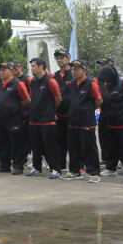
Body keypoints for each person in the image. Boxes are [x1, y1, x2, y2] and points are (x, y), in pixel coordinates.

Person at [61, 59, 102, 182]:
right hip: (73, 121)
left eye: (77, 69)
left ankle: (94, 173)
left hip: (86, 122)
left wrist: (88, 109)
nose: (74, 72)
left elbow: (99, 100)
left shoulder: (91, 83)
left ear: (85, 70)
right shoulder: (71, 84)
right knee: (73, 148)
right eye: (73, 69)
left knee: (89, 148)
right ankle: (74, 171)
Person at [0, 61, 30, 175]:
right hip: (0, 118)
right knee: (1, 142)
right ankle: (4, 165)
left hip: (13, 118)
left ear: (11, 71)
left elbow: (27, 100)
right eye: (0, 70)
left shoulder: (18, 84)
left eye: (4, 69)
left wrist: (16, 109)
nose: (1, 72)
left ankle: (18, 166)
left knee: (16, 143)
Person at [26, 58, 61, 177]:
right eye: (31, 66)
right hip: (34, 120)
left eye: (34, 66)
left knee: (50, 146)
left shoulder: (51, 81)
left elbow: (58, 99)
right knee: (35, 146)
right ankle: (37, 167)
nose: (32, 68)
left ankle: (55, 169)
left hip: (47, 120)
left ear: (41, 67)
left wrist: (50, 110)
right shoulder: (33, 81)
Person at [98, 64, 123, 177]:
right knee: (111, 147)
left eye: (107, 80)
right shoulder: (107, 86)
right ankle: (111, 168)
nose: (106, 82)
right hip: (111, 122)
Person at [53, 49, 73, 177]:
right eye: (58, 58)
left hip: (72, 114)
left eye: (62, 57)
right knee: (59, 141)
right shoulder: (55, 75)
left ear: (68, 59)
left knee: (73, 142)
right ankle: (61, 164)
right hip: (59, 115)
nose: (59, 60)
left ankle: (77, 166)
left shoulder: (73, 74)